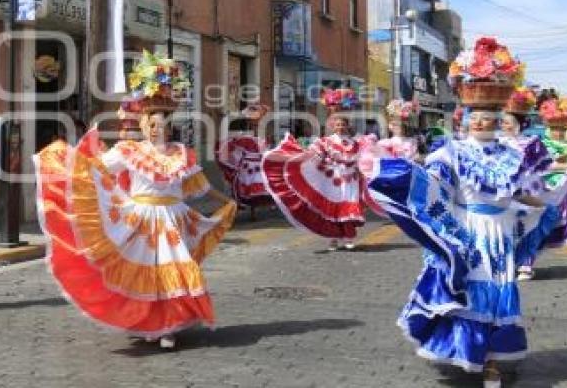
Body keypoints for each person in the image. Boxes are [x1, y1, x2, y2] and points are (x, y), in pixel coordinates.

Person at [367, 37, 560, 387]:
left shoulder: (512, 155)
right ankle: (471, 352)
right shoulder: (450, 152)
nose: (481, 123)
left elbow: (519, 192)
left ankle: (492, 363)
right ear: (465, 118)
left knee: (499, 292)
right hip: (468, 229)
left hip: (500, 233)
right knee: (469, 291)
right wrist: (404, 176)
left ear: (499, 119)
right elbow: (436, 186)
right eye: (475, 117)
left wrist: (549, 204)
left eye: (488, 118)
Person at [34, 50, 236, 350]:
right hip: (141, 219)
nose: (157, 129)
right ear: (143, 125)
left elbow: (199, 186)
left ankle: (169, 327)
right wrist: (67, 160)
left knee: (175, 270)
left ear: (169, 125)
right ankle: (150, 324)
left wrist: (226, 199)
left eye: (162, 124)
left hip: (173, 219)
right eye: (151, 124)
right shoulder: (129, 150)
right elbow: (98, 170)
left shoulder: (182, 153)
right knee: (148, 274)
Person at [262, 87, 380, 252]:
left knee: (348, 208)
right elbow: (313, 156)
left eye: (343, 124)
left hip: (351, 180)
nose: (340, 127)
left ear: (347, 126)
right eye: (337, 124)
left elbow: (361, 158)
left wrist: (363, 171)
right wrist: (302, 160)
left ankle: (349, 237)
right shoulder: (325, 141)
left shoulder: (355, 142)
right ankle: (333, 239)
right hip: (333, 180)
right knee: (333, 210)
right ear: (333, 126)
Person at [500, 88, 567, 281]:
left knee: (537, 222)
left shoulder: (532, 142)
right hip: (504, 194)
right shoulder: (496, 143)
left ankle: (526, 263)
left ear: (520, 124)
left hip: (530, 191)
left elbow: (546, 165)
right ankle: (504, 263)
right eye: (502, 122)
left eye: (507, 122)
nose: (504, 125)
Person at [216, 103, 273, 220]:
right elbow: (231, 141)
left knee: (253, 186)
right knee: (239, 185)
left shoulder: (259, 128)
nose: (258, 119)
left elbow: (262, 143)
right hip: (242, 161)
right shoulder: (240, 124)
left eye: (261, 116)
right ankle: (233, 210)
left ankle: (251, 211)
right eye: (258, 116)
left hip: (254, 161)